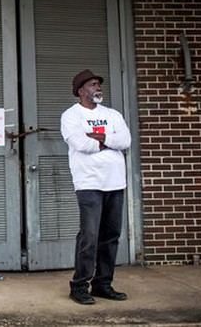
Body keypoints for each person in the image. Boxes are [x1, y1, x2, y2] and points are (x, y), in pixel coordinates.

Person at [60, 69, 131, 305]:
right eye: (92, 84)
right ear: (81, 91)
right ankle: (79, 286)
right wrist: (108, 140)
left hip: (115, 182)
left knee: (110, 236)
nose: (98, 87)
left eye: (98, 84)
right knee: (89, 237)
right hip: (88, 183)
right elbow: (80, 143)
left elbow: (125, 141)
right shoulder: (71, 116)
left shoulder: (112, 114)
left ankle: (103, 284)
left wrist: (99, 137)